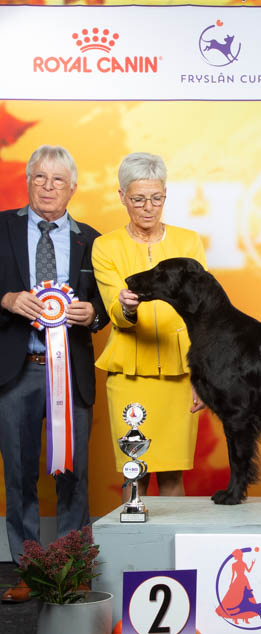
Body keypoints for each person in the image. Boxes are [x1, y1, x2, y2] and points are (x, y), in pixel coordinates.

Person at [0, 145, 107, 602]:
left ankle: (73, 568)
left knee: (74, 475)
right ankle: (30, 571)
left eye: (58, 179)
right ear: (28, 181)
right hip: (16, 371)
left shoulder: (93, 240)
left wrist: (93, 314)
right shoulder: (2, 227)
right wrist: (5, 299)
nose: (48, 187)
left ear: (73, 188)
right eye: (40, 177)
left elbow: (107, 303)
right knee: (19, 475)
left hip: (71, 372)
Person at [92, 152, 207, 501]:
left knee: (172, 475)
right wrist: (126, 308)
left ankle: (175, 540)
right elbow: (115, 309)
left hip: (180, 374)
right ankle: (133, 538)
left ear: (165, 195)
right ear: (122, 196)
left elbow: (203, 314)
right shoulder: (105, 247)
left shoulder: (189, 242)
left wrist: (203, 375)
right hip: (129, 377)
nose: (148, 208)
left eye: (156, 198)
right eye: (138, 199)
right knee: (135, 471)